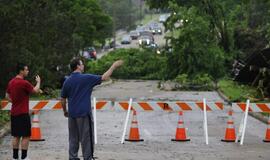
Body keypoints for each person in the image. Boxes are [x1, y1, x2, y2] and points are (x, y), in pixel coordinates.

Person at [61, 58, 123, 160]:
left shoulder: (67, 81)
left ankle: (72, 157)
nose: (83, 65)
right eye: (82, 64)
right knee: (87, 138)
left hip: (72, 115)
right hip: (84, 114)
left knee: (73, 139)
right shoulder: (86, 78)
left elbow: (63, 99)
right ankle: (88, 158)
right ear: (78, 66)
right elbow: (104, 77)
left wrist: (65, 111)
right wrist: (113, 66)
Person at [5, 63, 42, 160]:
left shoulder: (11, 82)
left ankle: (15, 157)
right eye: (26, 70)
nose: (28, 71)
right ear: (21, 71)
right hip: (23, 113)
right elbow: (35, 90)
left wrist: (15, 101)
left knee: (16, 136)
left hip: (14, 113)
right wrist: (38, 82)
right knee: (26, 136)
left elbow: (7, 96)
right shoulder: (24, 83)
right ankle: (24, 157)